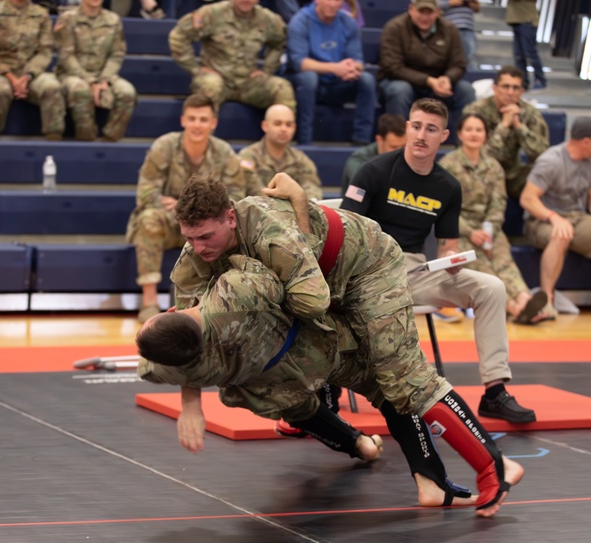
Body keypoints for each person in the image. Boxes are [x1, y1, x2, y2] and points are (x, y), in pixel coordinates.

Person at [169, 173, 522, 517]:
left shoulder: (270, 234)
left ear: (230, 218)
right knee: (338, 378)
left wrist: (250, 295)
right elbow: (185, 334)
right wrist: (190, 404)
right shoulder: (195, 257)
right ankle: (433, 483)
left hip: (365, 268)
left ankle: (495, 466)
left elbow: (312, 303)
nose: (199, 248)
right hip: (317, 283)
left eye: (205, 236)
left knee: (402, 374)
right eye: (190, 238)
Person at [139, 259, 491, 510]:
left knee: (296, 407)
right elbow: (295, 278)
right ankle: (431, 480)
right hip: (318, 348)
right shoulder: (237, 291)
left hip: (265, 386)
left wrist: (191, 406)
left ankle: (357, 445)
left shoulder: (161, 366)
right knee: (390, 386)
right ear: (171, 313)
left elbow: (176, 365)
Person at [342, 98, 538, 424]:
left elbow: (448, 245)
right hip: (370, 270)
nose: (421, 135)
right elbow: (345, 231)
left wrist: (450, 258)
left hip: (416, 270)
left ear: (443, 136)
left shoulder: (448, 186)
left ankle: (495, 391)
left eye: (431, 129)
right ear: (407, 128)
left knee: (491, 287)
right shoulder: (374, 171)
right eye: (416, 126)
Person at [127, 94, 262, 323]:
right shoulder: (165, 146)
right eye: (192, 118)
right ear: (183, 121)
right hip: (173, 220)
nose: (197, 124)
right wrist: (176, 207)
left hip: (209, 225)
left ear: (213, 123)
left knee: (232, 227)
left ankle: (221, 301)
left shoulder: (224, 153)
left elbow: (236, 195)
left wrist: (208, 215)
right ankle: (149, 301)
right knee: (148, 219)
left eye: (203, 119)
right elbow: (145, 192)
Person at [519, 116, 591, 320]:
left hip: (576, 217)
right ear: (586, 141)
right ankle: (547, 301)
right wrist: (553, 217)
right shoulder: (551, 160)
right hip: (542, 219)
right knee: (560, 235)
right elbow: (528, 199)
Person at [439, 113, 547, 323]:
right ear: (460, 134)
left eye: (479, 130)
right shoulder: (447, 165)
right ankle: (515, 308)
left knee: (505, 263)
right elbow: (445, 209)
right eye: (469, 129)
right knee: (485, 269)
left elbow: (498, 203)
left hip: (489, 228)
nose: (474, 134)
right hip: (458, 230)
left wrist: (489, 231)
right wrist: (471, 232)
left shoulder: (494, 167)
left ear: (486, 136)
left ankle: (525, 299)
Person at [168, 0, 296, 112]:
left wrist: (267, 70)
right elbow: (178, 36)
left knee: (282, 88)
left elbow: (280, 42)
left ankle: (280, 138)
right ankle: (205, 138)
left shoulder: (268, 20)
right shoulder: (212, 14)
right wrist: (195, 69)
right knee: (210, 85)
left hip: (248, 84)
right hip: (216, 78)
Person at [0, 0, 67, 141]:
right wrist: (10, 76)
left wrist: (27, 76)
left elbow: (45, 52)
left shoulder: (41, 14)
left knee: (52, 87)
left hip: (30, 72)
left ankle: (54, 141)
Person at [286, 0, 375, 146]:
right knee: (309, 78)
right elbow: (300, 63)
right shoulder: (300, 21)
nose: (333, 4)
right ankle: (305, 142)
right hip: (312, 85)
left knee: (366, 80)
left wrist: (352, 68)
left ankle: (361, 140)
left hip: (338, 83)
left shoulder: (347, 21)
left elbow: (358, 61)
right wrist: (335, 68)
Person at [462, 66, 550, 201]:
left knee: (547, 172)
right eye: (505, 87)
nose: (510, 92)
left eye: (515, 88)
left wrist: (519, 127)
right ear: (495, 88)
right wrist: (503, 126)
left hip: (512, 175)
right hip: (481, 172)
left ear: (521, 91)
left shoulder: (528, 112)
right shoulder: (476, 111)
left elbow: (542, 154)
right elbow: (476, 154)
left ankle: (542, 218)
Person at [377, 0, 475, 120]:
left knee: (466, 90)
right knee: (400, 90)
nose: (425, 17)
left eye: (429, 12)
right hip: (400, 81)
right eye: (421, 11)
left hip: (438, 83)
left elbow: (459, 64)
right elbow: (392, 66)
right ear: (411, 9)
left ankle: (464, 137)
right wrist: (428, 81)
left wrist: (448, 78)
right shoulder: (395, 27)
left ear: (438, 12)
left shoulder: (450, 29)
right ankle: (399, 137)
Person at [54, 0, 137, 142]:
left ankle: (110, 141)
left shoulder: (113, 20)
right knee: (81, 90)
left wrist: (104, 79)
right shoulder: (68, 18)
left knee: (128, 92)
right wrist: (90, 81)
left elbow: (116, 54)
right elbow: (66, 56)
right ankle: (86, 141)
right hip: (72, 74)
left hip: (104, 74)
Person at [237, 104, 323, 200]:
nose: (283, 129)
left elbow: (312, 187)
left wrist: (309, 201)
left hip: (294, 212)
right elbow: (253, 190)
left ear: (294, 128)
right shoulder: (249, 156)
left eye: (288, 125)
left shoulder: (300, 159)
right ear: (265, 126)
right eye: (278, 124)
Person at [340, 113, 406, 195]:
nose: (399, 152)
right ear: (379, 140)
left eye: (403, 146)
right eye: (393, 147)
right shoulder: (358, 159)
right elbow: (363, 188)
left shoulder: (406, 158)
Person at [506, 0, 545, 90]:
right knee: (519, 56)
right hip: (516, 20)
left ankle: (540, 80)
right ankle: (522, 83)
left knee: (530, 54)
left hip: (527, 20)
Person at [438, 0, 479, 72]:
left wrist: (473, 5)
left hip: (468, 29)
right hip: (450, 28)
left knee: (469, 56)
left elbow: (477, 8)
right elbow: (435, 5)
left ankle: (472, 78)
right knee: (451, 57)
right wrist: (450, 3)